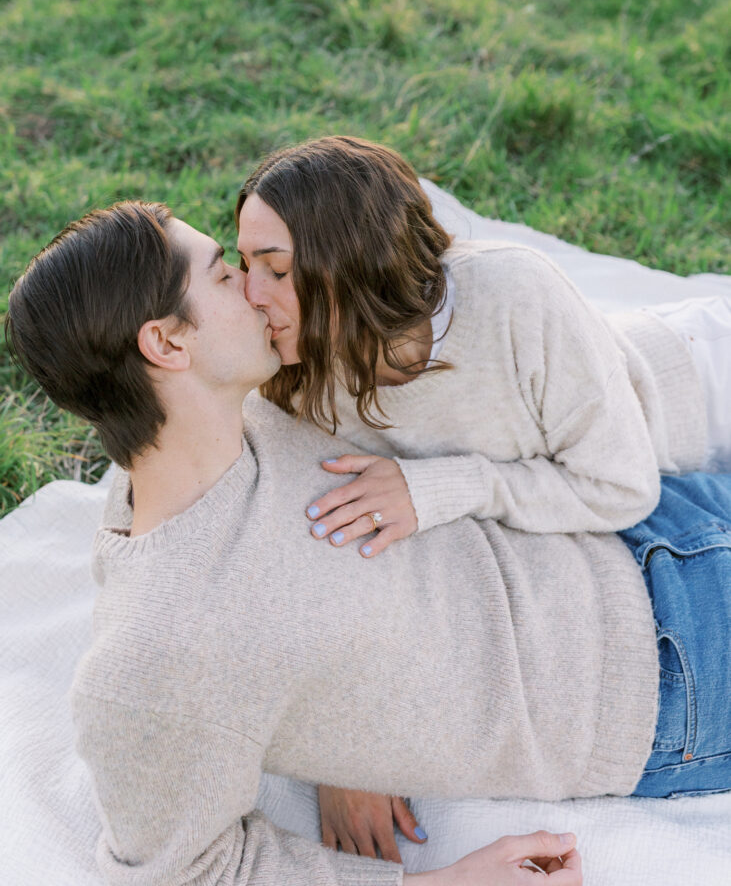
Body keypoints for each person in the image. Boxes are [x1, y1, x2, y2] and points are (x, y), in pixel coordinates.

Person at [5, 202, 731, 886]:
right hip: (670, 678)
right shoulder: (151, 660)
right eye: (225, 275)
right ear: (165, 343)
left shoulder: (248, 414)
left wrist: (344, 759)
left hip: (636, 522)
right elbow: (187, 872)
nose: (259, 292)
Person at [235, 135, 731, 856]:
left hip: (694, 404)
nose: (252, 294)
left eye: (274, 270)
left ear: (347, 266)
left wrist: (440, 486)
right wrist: (339, 755)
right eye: (244, 264)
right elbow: (290, 555)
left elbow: (620, 489)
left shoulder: (511, 295)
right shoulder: (292, 376)